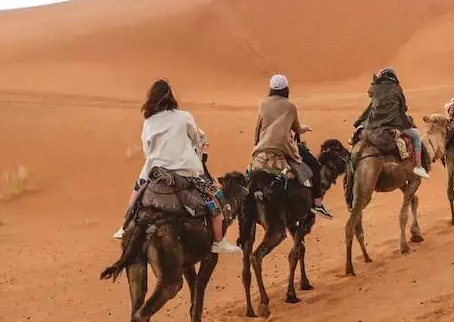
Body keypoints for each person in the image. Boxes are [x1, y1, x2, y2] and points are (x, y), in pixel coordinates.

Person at [114, 78, 241, 254]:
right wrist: (199, 145)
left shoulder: (149, 122)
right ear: (171, 97)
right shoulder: (184, 117)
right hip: (185, 172)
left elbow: (146, 149)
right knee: (213, 198)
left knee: (136, 192)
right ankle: (218, 240)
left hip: (155, 171)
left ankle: (125, 226)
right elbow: (198, 138)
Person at [251, 74, 333, 220]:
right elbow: (297, 128)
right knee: (314, 166)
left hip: (262, 148)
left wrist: (257, 146)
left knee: (249, 173)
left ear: (270, 89)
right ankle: (317, 204)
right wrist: (305, 128)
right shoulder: (290, 107)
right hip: (284, 147)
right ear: (286, 90)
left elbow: (258, 127)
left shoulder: (263, 104)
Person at [352, 67, 429, 178]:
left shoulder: (375, 88)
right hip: (391, 125)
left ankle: (349, 171)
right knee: (416, 136)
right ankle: (418, 167)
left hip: (372, 126)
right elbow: (403, 108)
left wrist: (375, 83)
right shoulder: (397, 89)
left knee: (355, 139)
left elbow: (370, 93)